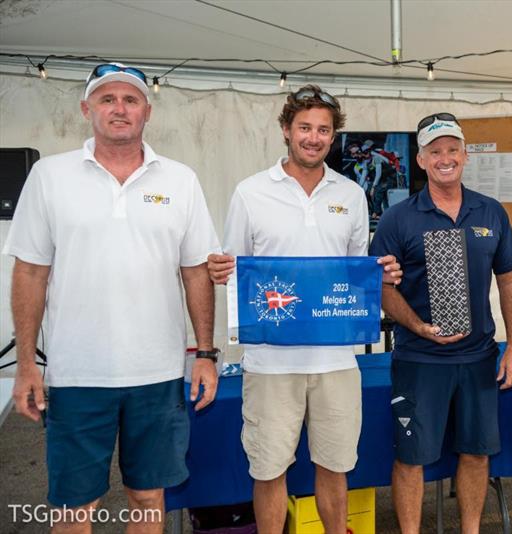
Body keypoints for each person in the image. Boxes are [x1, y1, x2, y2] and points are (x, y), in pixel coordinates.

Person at [3, 62, 220, 532]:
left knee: (147, 495)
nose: (119, 108)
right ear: (87, 109)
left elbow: (196, 271)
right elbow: (30, 272)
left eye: (130, 99)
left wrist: (205, 353)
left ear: (147, 111)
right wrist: (25, 365)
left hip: (157, 374)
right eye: (107, 99)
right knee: (75, 504)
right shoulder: (49, 175)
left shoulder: (179, 179)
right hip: (76, 374)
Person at [206, 85, 401, 534]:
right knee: (268, 469)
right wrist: (220, 268)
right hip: (270, 363)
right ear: (286, 130)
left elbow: (355, 271)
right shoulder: (250, 192)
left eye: (323, 130)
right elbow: (234, 266)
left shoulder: (351, 195)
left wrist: (381, 273)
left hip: (336, 362)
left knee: (335, 467)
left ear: (333, 137)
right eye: (305, 128)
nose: (314, 138)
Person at [369, 113, 512, 534]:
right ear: (420, 160)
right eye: (435, 151)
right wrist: (417, 325)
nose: (445, 158)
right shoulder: (397, 219)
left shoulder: (490, 212)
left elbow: (509, 278)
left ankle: (470, 529)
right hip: (420, 360)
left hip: (478, 358)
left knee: (475, 453)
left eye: (453, 149)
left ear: (465, 154)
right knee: (411, 457)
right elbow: (381, 287)